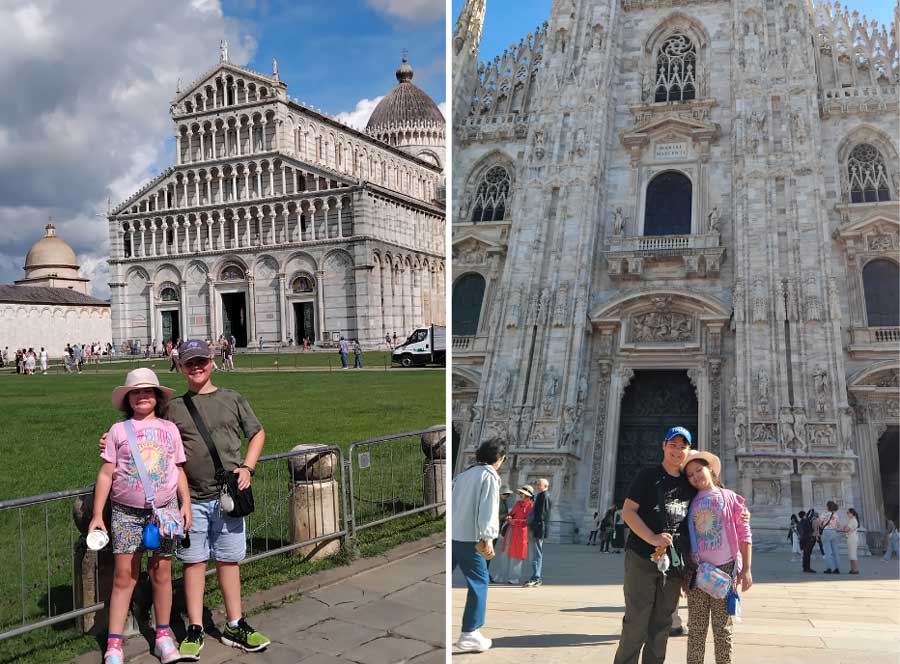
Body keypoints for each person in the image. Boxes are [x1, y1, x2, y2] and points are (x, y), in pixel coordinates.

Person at [101, 340, 270, 658]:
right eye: (189, 362)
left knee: (229, 560)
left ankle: (235, 623)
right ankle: (194, 627)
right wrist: (109, 440)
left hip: (227, 497)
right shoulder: (173, 407)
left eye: (201, 361)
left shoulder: (232, 398)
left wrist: (248, 466)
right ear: (180, 367)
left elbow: (257, 432)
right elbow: (143, 426)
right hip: (189, 500)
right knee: (193, 562)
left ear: (212, 361)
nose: (196, 367)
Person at [88, 368, 191, 664]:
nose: (142, 396)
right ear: (128, 399)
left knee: (161, 572)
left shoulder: (170, 430)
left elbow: (178, 469)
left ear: (157, 398)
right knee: (124, 577)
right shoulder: (119, 431)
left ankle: (162, 636)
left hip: (165, 512)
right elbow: (106, 474)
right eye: (136, 392)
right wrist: (97, 514)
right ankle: (114, 645)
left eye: (148, 391)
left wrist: (185, 503)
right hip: (126, 513)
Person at [612, 426, 696, 664]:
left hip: (673, 566)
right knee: (636, 622)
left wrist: (740, 515)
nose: (677, 451)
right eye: (673, 445)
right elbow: (628, 512)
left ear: (688, 450)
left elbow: (711, 507)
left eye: (683, 447)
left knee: (662, 624)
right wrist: (651, 538)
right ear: (663, 446)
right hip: (642, 557)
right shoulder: (647, 475)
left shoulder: (690, 485)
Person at [682, 450, 753, 664]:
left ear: (710, 469)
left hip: (725, 569)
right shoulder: (688, 502)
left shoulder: (729, 497)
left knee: (723, 628)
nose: (695, 476)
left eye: (698, 470)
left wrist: (747, 569)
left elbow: (744, 532)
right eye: (690, 474)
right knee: (696, 629)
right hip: (697, 572)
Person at [452, 439, 506, 653]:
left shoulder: (463, 475)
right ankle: (470, 633)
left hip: (454, 534)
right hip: (470, 538)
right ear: (500, 459)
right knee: (479, 581)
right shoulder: (489, 476)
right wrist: (488, 538)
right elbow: (488, 510)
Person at [492, 486, 533, 585]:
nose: (520, 495)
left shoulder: (531, 506)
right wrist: (509, 517)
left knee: (517, 555)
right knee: (504, 554)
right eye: (520, 493)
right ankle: (500, 576)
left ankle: (514, 578)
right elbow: (511, 513)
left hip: (521, 533)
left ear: (527, 495)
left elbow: (529, 521)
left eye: (522, 493)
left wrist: (514, 521)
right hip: (511, 531)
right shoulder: (518, 503)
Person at [524, 478, 551, 587]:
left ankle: (536, 578)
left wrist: (537, 527)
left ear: (545, 486)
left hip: (538, 528)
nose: (537, 486)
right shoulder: (539, 496)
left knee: (536, 553)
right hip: (536, 527)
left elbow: (543, 515)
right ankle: (535, 576)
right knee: (534, 553)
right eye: (537, 484)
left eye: (539, 484)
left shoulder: (544, 496)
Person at [820, 500, 843, 574]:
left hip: (826, 532)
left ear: (828, 507)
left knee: (827, 551)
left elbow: (820, 524)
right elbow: (839, 526)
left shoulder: (824, 514)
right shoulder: (836, 515)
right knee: (835, 551)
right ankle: (837, 568)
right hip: (834, 532)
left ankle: (829, 568)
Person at [844, 508, 860, 574]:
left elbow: (846, 529)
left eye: (848, 513)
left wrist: (845, 527)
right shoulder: (852, 520)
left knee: (853, 554)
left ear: (851, 513)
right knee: (851, 554)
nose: (847, 514)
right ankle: (852, 569)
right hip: (852, 537)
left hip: (852, 538)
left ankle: (855, 569)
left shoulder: (852, 520)